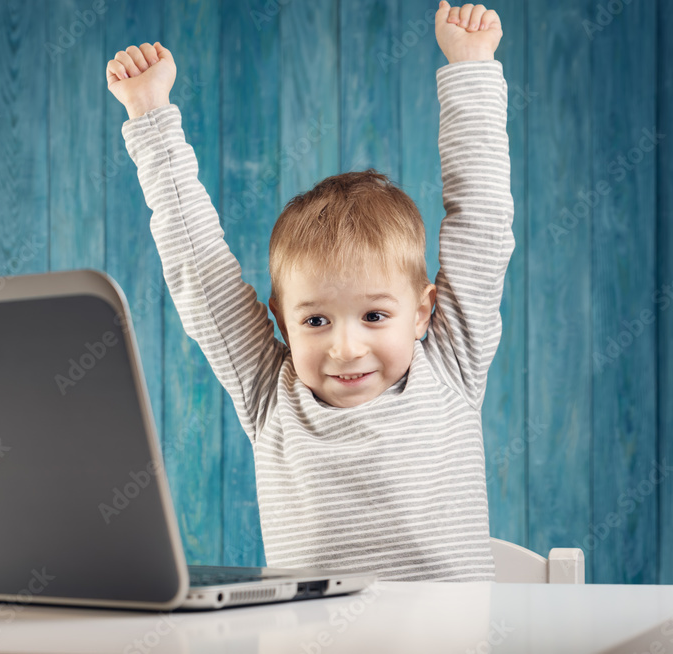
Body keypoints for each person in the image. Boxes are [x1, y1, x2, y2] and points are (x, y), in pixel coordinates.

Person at [105, 1, 511, 581]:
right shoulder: (272, 393)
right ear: (281, 320)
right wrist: (150, 116)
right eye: (316, 321)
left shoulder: (451, 364)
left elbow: (485, 225)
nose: (345, 347)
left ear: (423, 311)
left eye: (374, 315)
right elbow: (203, 274)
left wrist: (470, 68)